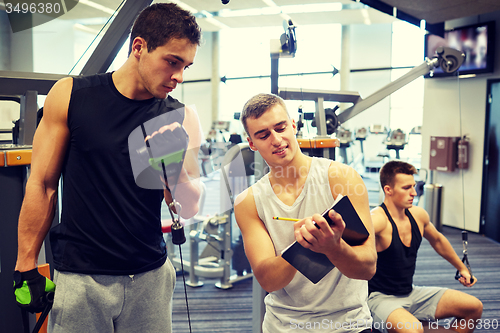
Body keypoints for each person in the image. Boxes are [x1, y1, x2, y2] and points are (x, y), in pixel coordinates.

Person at [13, 4, 202, 332]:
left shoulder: (180, 116)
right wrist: (25, 263)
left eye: (186, 66)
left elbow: (189, 205)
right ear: (139, 47)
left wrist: (174, 172)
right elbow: (42, 184)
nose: (178, 77)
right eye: (172, 62)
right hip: (82, 278)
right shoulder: (71, 96)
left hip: (150, 278)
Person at [234, 93, 377, 332]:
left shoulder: (340, 178)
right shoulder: (249, 202)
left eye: (280, 128)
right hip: (285, 326)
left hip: (348, 324)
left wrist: (333, 247)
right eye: (263, 135)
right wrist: (301, 247)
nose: (276, 140)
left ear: (293, 126)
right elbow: (268, 280)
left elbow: (367, 268)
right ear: (251, 143)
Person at [368, 160, 483, 333]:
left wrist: (462, 268)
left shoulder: (418, 215)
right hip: (380, 299)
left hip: (411, 293)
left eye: (413, 186)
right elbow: (350, 240)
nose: (414, 192)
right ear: (388, 190)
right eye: (406, 188)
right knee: (414, 330)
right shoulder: (377, 220)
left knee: (474, 307)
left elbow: (438, 240)